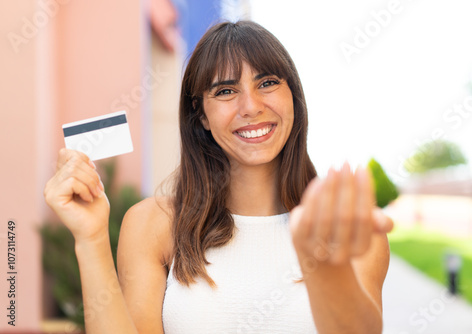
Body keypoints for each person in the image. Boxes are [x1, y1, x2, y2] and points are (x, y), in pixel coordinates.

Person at [44, 20, 393, 334]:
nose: (251, 106)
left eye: (267, 83)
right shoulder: (153, 224)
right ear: (202, 116)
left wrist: (327, 269)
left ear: (293, 98)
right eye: (225, 91)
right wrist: (90, 240)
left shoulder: (349, 228)